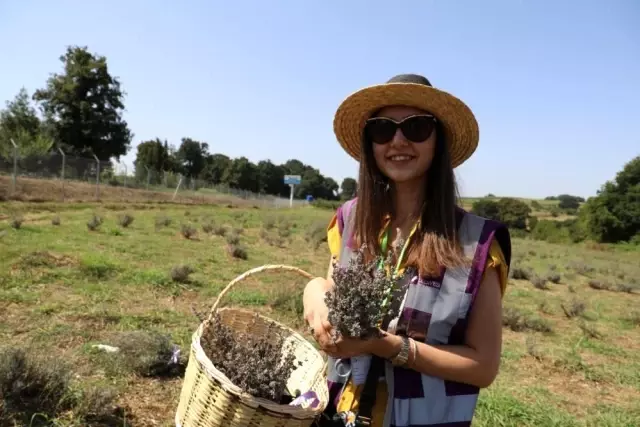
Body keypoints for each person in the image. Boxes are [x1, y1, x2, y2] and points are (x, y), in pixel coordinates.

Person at [303, 74, 511, 427]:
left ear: (438, 141)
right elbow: (331, 291)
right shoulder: (349, 219)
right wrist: (314, 292)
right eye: (382, 129)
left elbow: (483, 367)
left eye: (416, 127)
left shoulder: (478, 243)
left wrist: (387, 346)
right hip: (339, 411)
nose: (398, 140)